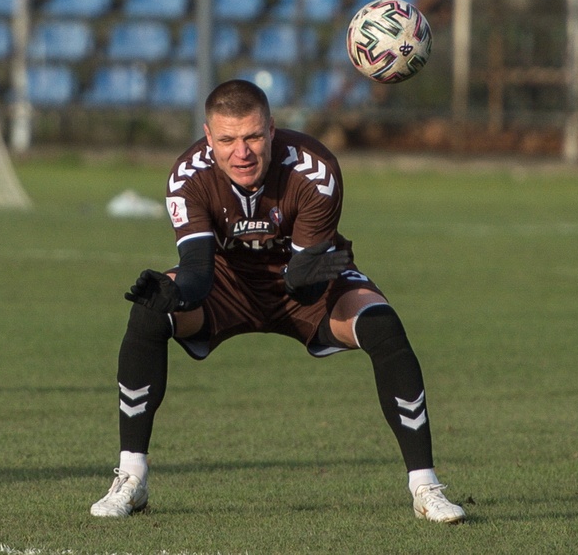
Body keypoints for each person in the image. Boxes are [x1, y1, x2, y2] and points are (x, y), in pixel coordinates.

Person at [90, 79, 465, 524]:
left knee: (382, 325)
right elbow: (197, 269)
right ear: (209, 138)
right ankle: (131, 479)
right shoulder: (187, 176)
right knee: (149, 314)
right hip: (227, 284)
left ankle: (425, 487)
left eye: (251, 136)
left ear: (271, 130)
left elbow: (305, 283)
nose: (241, 151)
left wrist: (306, 276)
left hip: (306, 280)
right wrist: (177, 293)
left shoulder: (314, 170)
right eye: (227, 139)